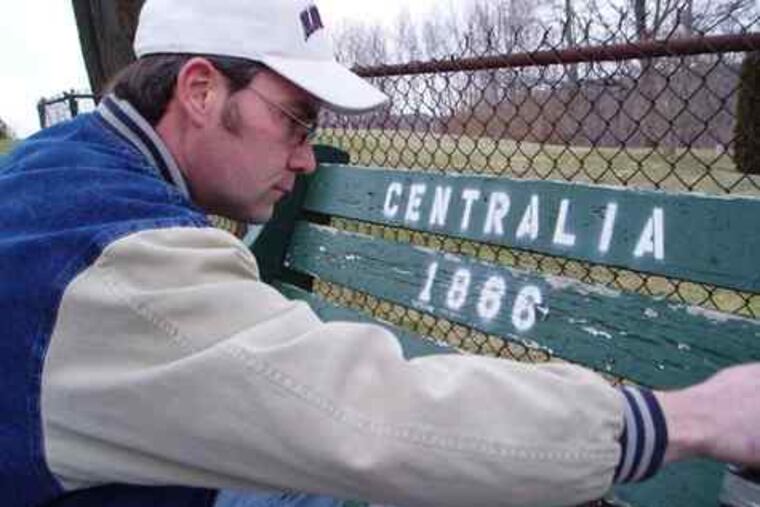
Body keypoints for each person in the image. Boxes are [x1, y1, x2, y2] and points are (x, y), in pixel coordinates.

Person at [0, 0, 758, 506]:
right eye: (296, 120)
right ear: (199, 90)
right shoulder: (113, 258)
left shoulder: (60, 169)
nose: (306, 159)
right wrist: (686, 415)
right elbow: (370, 419)